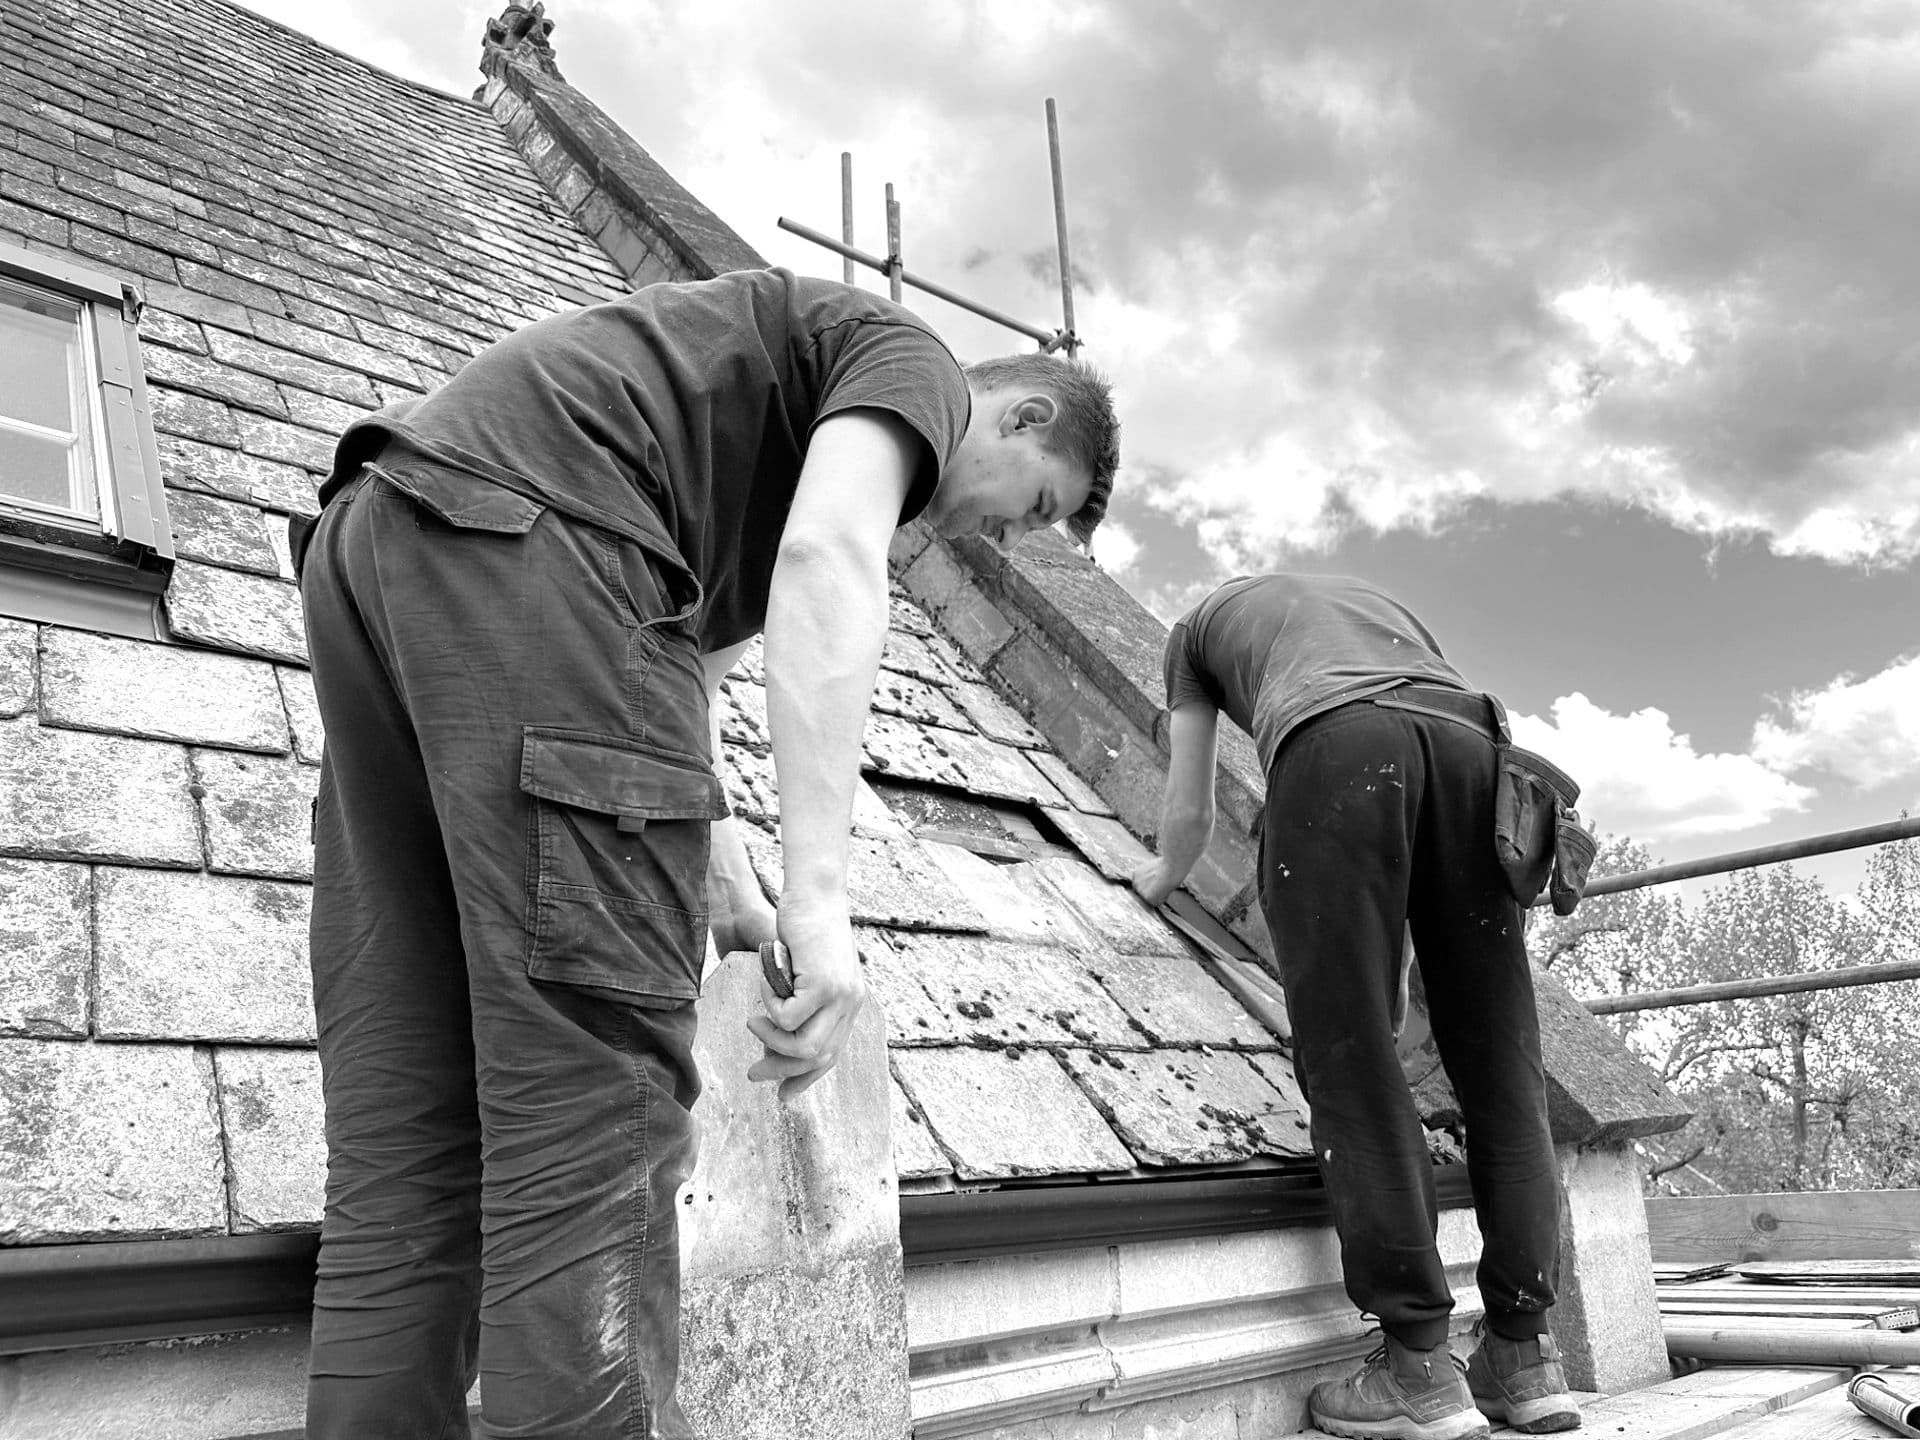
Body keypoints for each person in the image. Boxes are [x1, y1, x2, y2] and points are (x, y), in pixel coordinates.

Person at [291, 266, 1119, 1439]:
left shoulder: (712, 442)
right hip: (532, 549)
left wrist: (736, 893)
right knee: (591, 1126)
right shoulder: (918, 367)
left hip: (376, 544)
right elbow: (830, 561)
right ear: (1023, 416)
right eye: (1031, 507)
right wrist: (824, 911)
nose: (995, 536)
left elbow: (674, 692)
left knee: (408, 1148)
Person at [1131, 573, 1579, 1440]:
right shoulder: (1379, 608)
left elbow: (1187, 810)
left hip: (1337, 745)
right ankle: (1525, 1358)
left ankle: (1417, 1368)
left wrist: (1160, 875)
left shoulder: (1194, 634)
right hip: (1476, 752)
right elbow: (1422, 737)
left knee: (1353, 1059)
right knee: (1502, 1065)